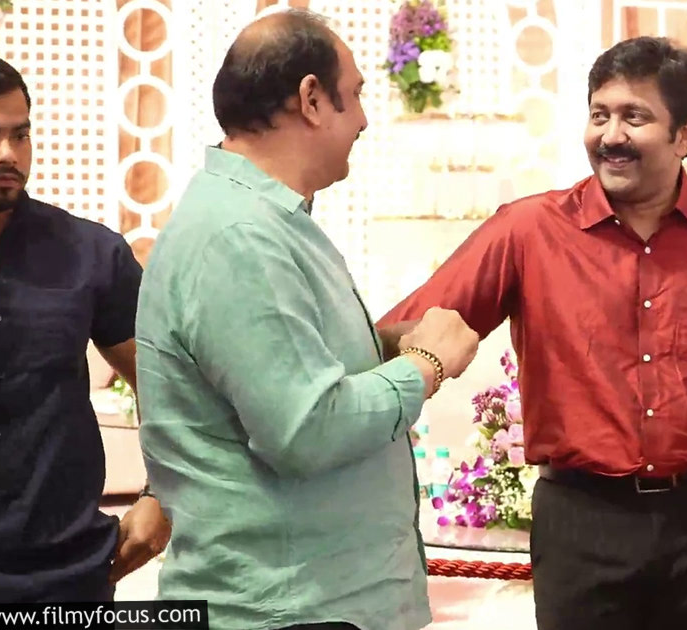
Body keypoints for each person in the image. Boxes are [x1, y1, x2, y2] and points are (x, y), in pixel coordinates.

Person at [377, 36, 687, 630]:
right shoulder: (529, 230)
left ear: (685, 134)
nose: (611, 135)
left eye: (635, 117)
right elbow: (407, 328)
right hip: (581, 521)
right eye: (599, 114)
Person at [134, 9, 478, 630]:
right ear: (312, 99)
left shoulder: (264, 219)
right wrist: (425, 365)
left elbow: (282, 373)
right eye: (357, 95)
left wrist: (378, 344)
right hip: (286, 609)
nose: (365, 120)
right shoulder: (240, 235)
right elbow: (306, 429)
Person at [0, 50, 169, 602]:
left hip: (62, 577)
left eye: (20, 135)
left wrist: (161, 496)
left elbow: (168, 386)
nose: (7, 154)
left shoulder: (88, 254)